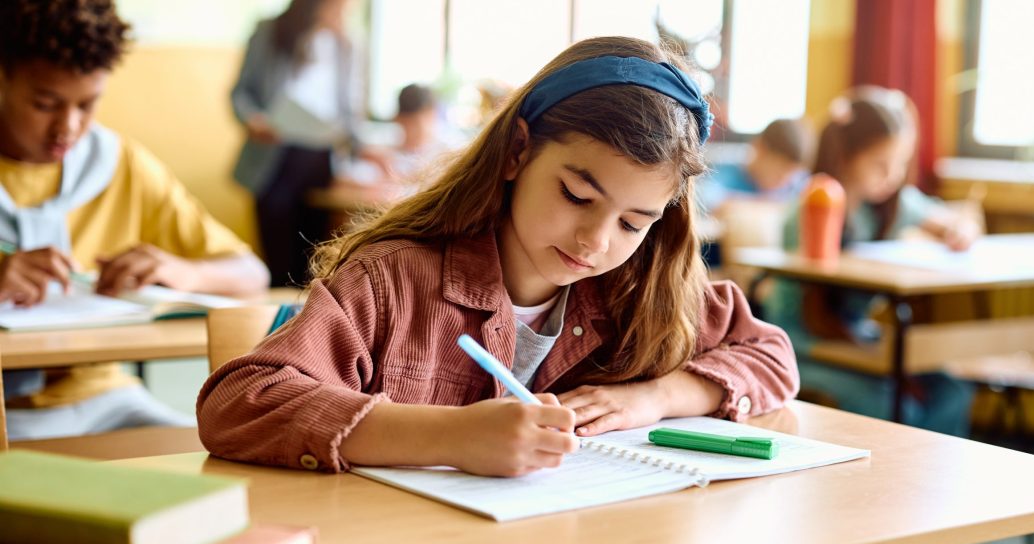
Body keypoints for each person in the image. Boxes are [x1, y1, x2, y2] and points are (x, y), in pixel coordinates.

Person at [198, 36, 799, 477]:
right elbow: (239, 403)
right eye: (577, 195)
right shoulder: (394, 281)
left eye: (633, 222)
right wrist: (449, 438)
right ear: (517, 152)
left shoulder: (641, 287)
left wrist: (656, 396)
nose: (596, 240)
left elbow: (769, 354)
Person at [0, 0, 270, 440]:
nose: (67, 127)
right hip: (7, 414)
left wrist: (178, 270)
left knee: (241, 458)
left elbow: (250, 273)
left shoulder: (121, 165)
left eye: (88, 104)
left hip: (107, 400)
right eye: (45, 103)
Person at [763, 86, 978, 436]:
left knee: (951, 392)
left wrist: (960, 229)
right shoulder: (811, 205)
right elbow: (801, 313)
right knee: (891, 403)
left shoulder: (894, 204)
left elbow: (952, 221)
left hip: (858, 337)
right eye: (881, 164)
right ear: (846, 156)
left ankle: (927, 481)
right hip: (804, 344)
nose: (892, 176)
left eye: (901, 164)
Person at [231, 0, 374, 287]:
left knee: (317, 263)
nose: (344, 11)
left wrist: (364, 150)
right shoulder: (271, 31)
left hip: (322, 158)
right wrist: (253, 120)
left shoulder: (348, 43)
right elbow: (240, 93)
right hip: (276, 158)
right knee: (280, 262)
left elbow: (351, 110)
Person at [699, 117, 814, 213]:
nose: (784, 181)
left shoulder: (795, 184)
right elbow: (704, 199)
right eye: (778, 173)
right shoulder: (726, 173)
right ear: (760, 149)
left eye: (790, 176)